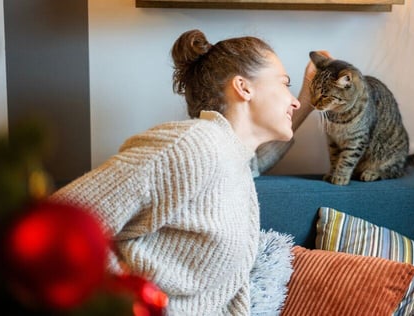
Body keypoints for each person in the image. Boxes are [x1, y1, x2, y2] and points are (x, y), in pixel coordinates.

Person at [50, 29, 323, 315]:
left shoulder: (231, 159)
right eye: (284, 84)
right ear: (243, 87)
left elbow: (255, 163)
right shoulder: (194, 145)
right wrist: (125, 300)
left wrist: (307, 95)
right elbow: (62, 220)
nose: (292, 100)